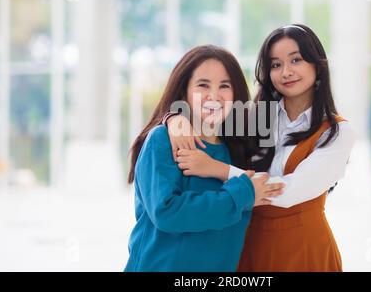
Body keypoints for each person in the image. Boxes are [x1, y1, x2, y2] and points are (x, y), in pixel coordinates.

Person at [165, 25, 355, 271]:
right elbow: (206, 115)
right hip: (249, 244)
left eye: (295, 60)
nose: (286, 72)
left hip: (305, 250)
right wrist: (173, 118)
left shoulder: (336, 132)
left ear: (317, 66)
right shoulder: (257, 118)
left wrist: (216, 169)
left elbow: (287, 193)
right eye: (275, 64)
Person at [124, 45, 285, 272]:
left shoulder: (238, 149)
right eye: (203, 85)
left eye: (224, 86)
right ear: (184, 93)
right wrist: (241, 195)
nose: (214, 95)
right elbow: (167, 212)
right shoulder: (163, 140)